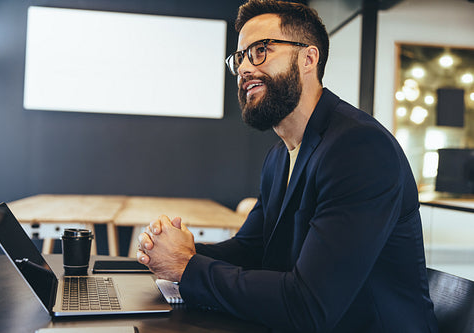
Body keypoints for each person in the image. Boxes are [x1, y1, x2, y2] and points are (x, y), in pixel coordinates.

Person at [137, 0, 438, 332]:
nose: (244, 69)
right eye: (240, 57)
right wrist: (180, 250)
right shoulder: (280, 155)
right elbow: (254, 248)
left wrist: (186, 266)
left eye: (261, 50)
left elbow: (308, 306)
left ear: (308, 58)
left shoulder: (359, 149)